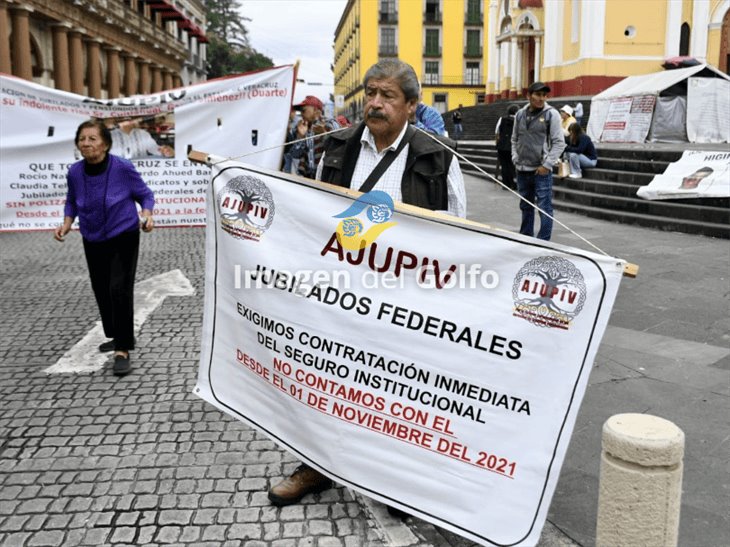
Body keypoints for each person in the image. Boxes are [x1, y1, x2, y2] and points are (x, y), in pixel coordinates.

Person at [268, 58, 467, 508]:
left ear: (412, 106)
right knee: (327, 380)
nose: (375, 103)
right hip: (341, 295)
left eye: (388, 96)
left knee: (397, 391)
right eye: (371, 93)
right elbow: (318, 217)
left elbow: (458, 235)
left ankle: (393, 479)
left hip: (405, 301)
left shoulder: (436, 157)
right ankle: (315, 465)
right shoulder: (336, 148)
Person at [54, 120, 155, 376]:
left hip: (123, 235)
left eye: (92, 139)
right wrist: (66, 224)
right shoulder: (75, 172)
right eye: (82, 139)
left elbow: (145, 195)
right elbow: (71, 201)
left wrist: (147, 214)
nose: (86, 144)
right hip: (92, 236)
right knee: (101, 288)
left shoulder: (123, 168)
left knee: (118, 288)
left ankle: (122, 349)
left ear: (106, 144)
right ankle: (115, 334)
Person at [511, 81, 566, 241]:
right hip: (522, 169)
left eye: (544, 95)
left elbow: (559, 142)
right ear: (529, 96)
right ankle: (526, 238)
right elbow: (514, 138)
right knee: (525, 206)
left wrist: (546, 165)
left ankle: (543, 242)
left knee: (544, 208)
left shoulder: (551, 114)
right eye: (537, 95)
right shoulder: (520, 114)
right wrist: (515, 157)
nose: (541, 98)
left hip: (540, 171)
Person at [286, 95, 340, 179]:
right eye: (300, 112)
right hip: (308, 177)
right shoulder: (302, 127)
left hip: (327, 176)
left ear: (315, 110)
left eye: (304, 111)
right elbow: (295, 155)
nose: (301, 114)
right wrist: (301, 137)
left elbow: (339, 148)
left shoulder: (330, 123)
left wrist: (324, 134)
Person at [109, 117, 174, 159]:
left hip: (140, 171)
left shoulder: (142, 133)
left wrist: (165, 151)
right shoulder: (110, 135)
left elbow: (154, 149)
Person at [494, 104, 519, 190]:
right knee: (511, 165)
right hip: (512, 146)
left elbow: (497, 131)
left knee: (504, 165)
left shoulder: (502, 119)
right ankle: (512, 183)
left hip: (501, 146)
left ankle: (505, 183)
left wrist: (497, 142)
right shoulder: (518, 120)